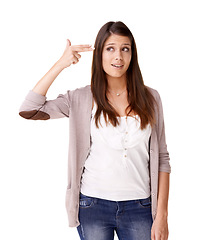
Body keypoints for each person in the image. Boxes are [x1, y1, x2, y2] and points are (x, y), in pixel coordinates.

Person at [19, 21, 171, 240]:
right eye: (110, 48)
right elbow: (29, 109)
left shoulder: (151, 98)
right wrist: (61, 64)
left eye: (124, 48)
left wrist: (162, 215)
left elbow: (162, 159)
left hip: (141, 207)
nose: (118, 56)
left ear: (132, 54)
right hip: (93, 206)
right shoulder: (81, 98)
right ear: (99, 53)